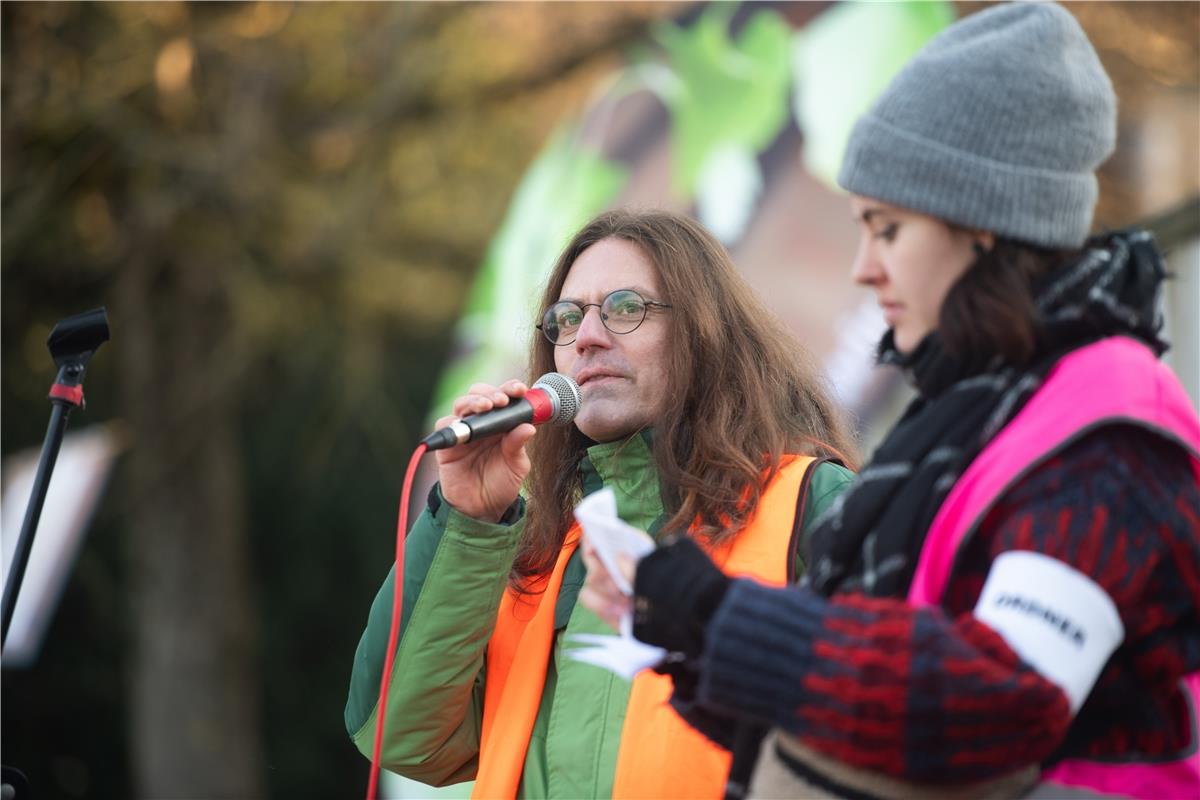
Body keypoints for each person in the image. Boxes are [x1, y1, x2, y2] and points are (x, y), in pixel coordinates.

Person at [582, 4, 1200, 798]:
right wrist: (687, 643)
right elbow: (858, 715)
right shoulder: (973, 413)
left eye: (887, 228)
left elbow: (998, 700)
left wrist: (716, 614)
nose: (863, 268)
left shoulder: (1110, 433)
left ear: (982, 226)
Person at [344, 208, 858, 798]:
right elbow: (404, 736)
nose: (586, 336)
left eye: (624, 308)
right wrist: (471, 521)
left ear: (704, 331)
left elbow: (882, 737)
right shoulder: (538, 551)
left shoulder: (812, 502)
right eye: (566, 319)